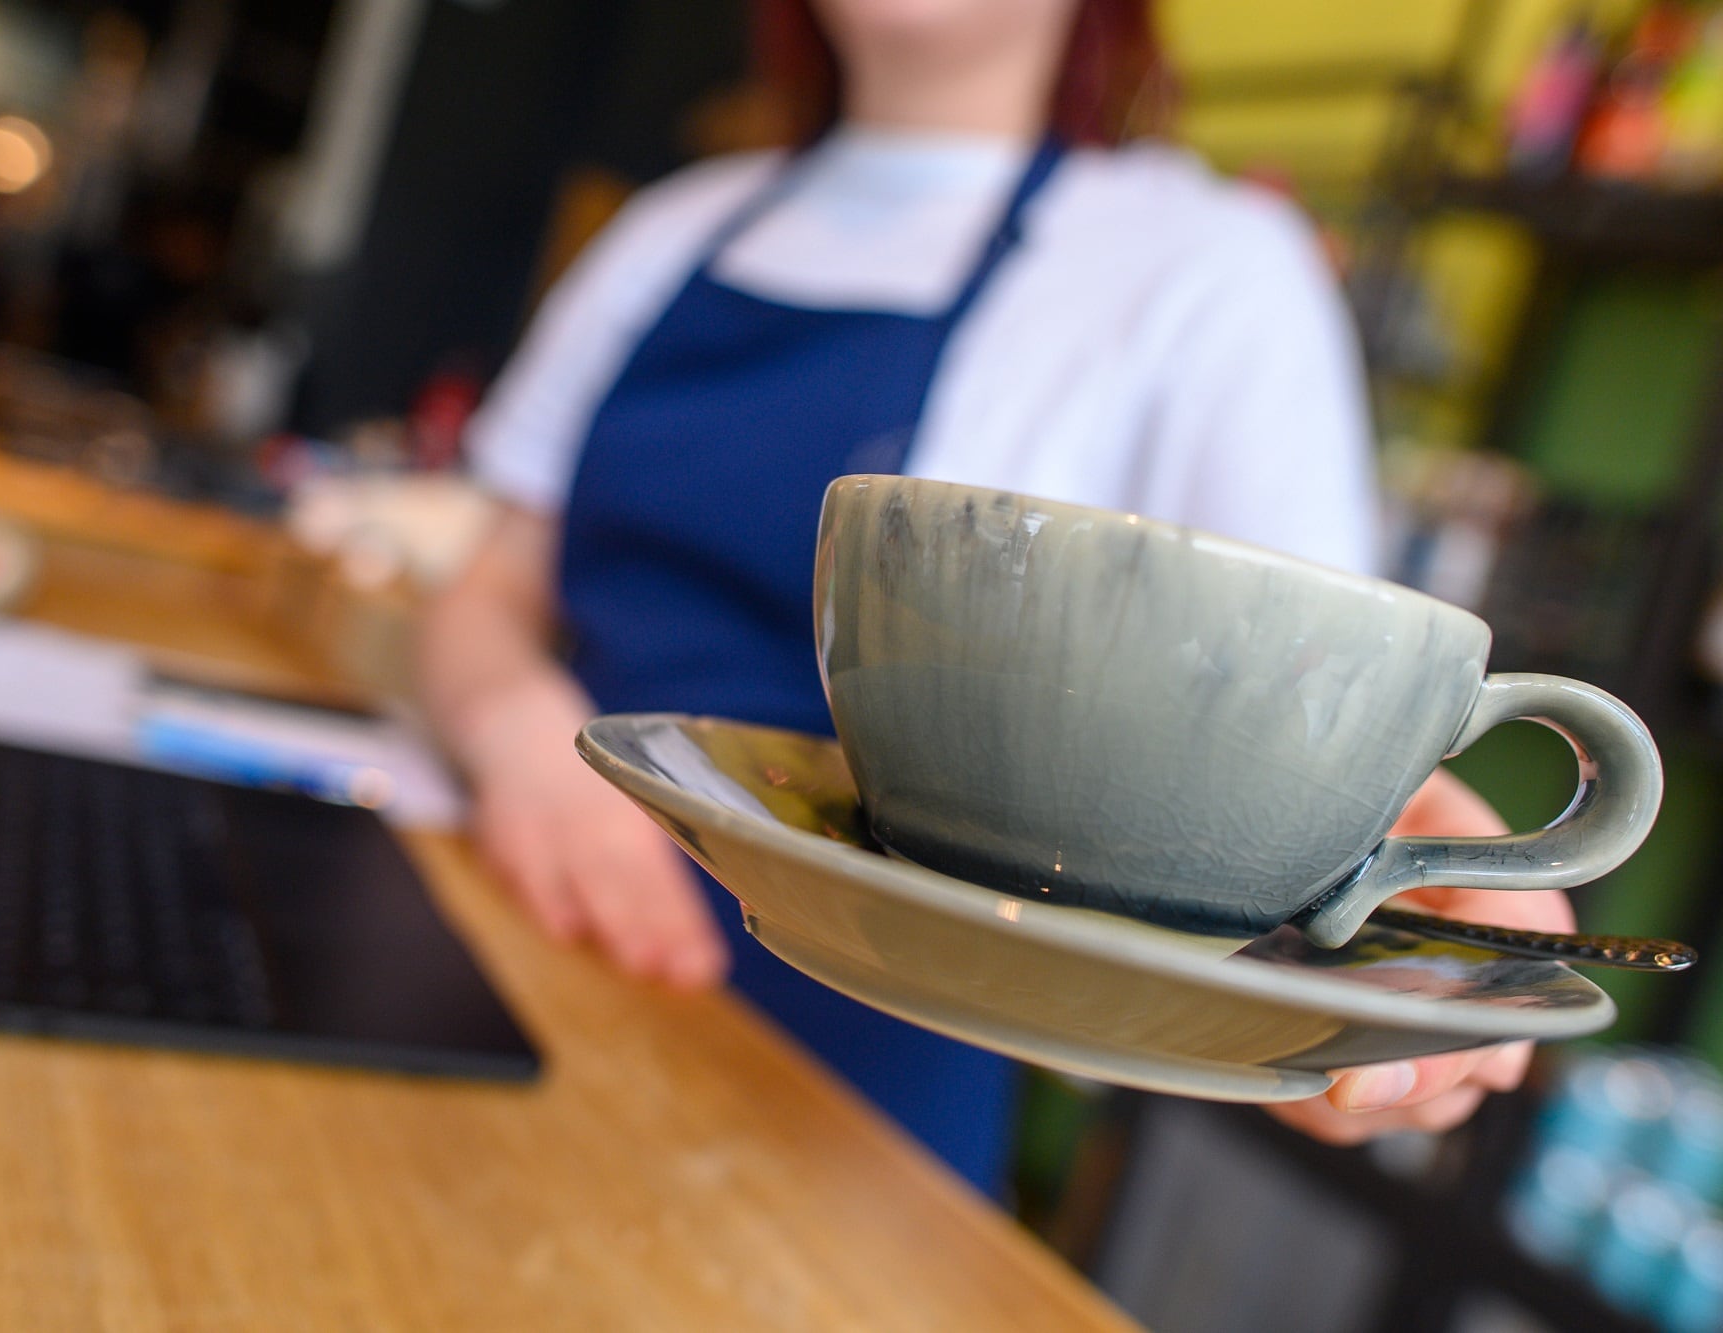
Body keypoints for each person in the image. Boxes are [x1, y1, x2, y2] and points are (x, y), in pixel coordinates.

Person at [417, 0, 1575, 1193]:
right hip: (509, 923)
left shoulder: (1211, 267)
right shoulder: (671, 229)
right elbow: (488, 586)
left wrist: (1365, 914)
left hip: (855, 1094)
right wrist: (521, 741)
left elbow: (1301, 709)